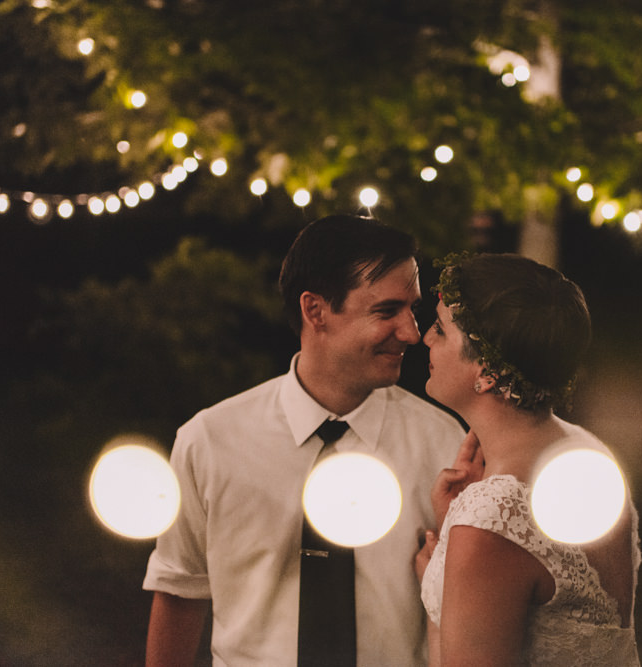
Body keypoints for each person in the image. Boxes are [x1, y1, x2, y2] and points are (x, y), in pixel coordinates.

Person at [142, 214, 465, 666]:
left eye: (412, 309)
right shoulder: (210, 441)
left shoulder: (442, 442)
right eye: (387, 311)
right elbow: (179, 590)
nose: (412, 331)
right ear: (315, 310)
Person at [414, 253, 641, 666]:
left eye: (439, 330)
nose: (424, 339)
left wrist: (438, 587)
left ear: (487, 372)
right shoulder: (589, 454)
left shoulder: (489, 522)